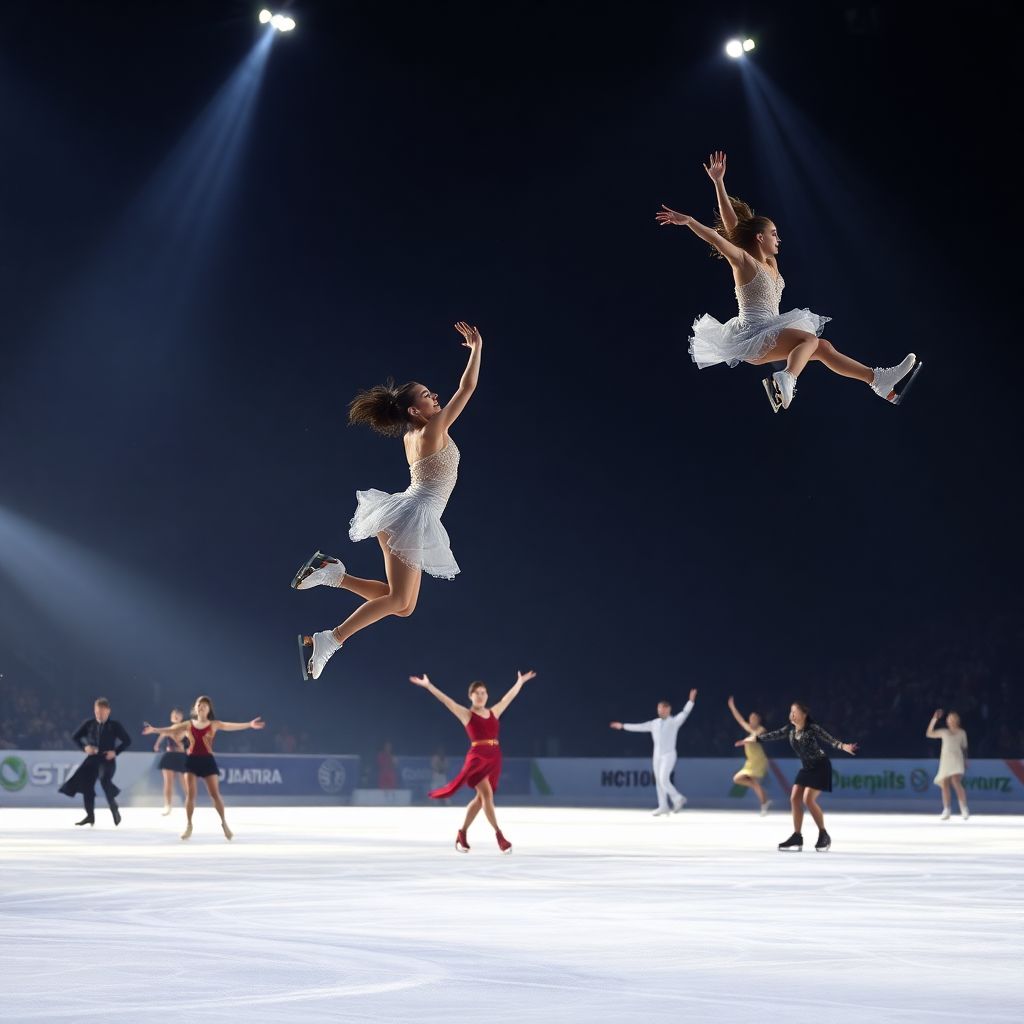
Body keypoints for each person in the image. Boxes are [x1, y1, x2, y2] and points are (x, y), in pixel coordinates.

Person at [656, 151, 918, 411]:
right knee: (810, 341)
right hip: (752, 335)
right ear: (759, 238)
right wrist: (690, 220)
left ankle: (878, 381)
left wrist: (719, 181)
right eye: (773, 234)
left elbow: (736, 229)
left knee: (823, 346)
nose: (778, 239)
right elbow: (720, 237)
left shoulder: (770, 264)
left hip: (769, 329)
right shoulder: (744, 264)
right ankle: (787, 377)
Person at [294, 322, 483, 680]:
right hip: (413, 515)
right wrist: (476, 350)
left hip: (407, 513)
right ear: (414, 411)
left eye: (430, 394)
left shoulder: (418, 432)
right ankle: (329, 639)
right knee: (398, 601)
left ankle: (333, 574)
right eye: (427, 395)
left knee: (403, 605)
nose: (435, 397)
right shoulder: (429, 431)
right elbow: (467, 387)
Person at [410, 669, 537, 854]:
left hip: (494, 757)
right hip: (477, 758)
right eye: (476, 693)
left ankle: (462, 833)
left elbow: (508, 698)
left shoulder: (494, 712)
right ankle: (499, 836)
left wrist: (520, 682)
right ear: (470, 696)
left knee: (479, 800)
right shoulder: (467, 714)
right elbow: (447, 702)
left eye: (483, 692)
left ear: (487, 695)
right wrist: (428, 686)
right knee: (487, 796)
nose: (480, 696)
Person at [143, 696, 264, 841]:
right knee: (191, 795)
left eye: (205, 706)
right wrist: (154, 729)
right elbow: (170, 729)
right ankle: (189, 825)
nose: (202, 707)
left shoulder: (214, 724)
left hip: (207, 761)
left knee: (215, 794)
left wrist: (249, 724)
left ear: (209, 710)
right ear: (195, 708)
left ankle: (224, 823)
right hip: (192, 761)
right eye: (199, 705)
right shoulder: (188, 724)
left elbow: (230, 726)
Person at [745, 702, 857, 851]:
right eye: (791, 711)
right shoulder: (790, 729)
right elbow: (775, 734)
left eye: (795, 712)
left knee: (808, 799)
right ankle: (797, 836)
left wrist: (844, 746)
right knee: (794, 798)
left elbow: (829, 739)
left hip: (820, 766)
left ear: (803, 715)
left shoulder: (812, 728)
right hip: (807, 768)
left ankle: (823, 834)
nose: (792, 714)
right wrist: (757, 739)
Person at [610, 690, 698, 815]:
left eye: (662, 709)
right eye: (659, 709)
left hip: (669, 754)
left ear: (668, 709)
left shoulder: (674, 721)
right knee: (658, 781)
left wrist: (690, 701)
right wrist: (623, 726)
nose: (660, 711)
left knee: (663, 779)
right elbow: (639, 727)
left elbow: (685, 713)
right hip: (657, 755)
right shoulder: (654, 723)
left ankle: (678, 798)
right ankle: (663, 806)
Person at [59, 697, 132, 827]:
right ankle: (90, 816)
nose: (99, 715)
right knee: (86, 785)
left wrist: (115, 752)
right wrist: (85, 747)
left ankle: (114, 808)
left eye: (102, 712)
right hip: (92, 759)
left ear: (108, 711)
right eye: (97, 712)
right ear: (94, 711)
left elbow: (127, 741)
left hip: (107, 759)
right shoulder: (89, 724)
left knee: (104, 780)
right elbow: (75, 737)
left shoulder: (114, 725)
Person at [726, 695, 771, 815]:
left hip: (759, 761)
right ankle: (764, 798)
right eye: (751, 718)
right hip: (750, 762)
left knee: (755, 783)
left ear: (758, 720)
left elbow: (755, 737)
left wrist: (744, 741)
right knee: (737, 779)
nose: (752, 720)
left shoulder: (761, 729)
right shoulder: (749, 728)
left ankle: (764, 805)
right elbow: (740, 719)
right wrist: (732, 707)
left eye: (754, 718)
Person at [926, 709, 969, 820]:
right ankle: (947, 810)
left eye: (953, 718)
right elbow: (929, 733)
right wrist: (934, 719)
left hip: (957, 759)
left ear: (957, 720)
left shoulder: (961, 732)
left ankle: (964, 808)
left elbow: (964, 748)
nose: (951, 720)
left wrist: (966, 760)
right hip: (945, 760)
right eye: (949, 718)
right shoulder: (944, 732)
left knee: (955, 781)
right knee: (944, 783)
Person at [153, 707, 188, 815]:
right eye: (173, 715)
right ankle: (167, 805)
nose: (175, 716)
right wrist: (157, 744)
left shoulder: (185, 729)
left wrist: (173, 735)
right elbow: (162, 734)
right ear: (171, 717)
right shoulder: (168, 729)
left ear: (181, 717)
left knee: (184, 782)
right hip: (169, 756)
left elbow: (185, 742)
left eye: (178, 714)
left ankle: (189, 803)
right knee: (168, 782)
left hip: (181, 756)